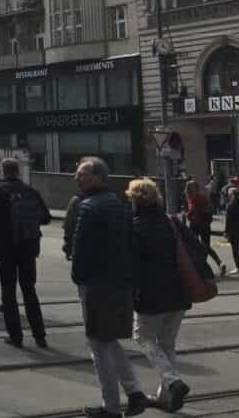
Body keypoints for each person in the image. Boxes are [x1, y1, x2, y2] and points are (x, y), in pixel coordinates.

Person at [71, 157, 148, 418]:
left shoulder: (88, 207)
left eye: (81, 174)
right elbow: (132, 245)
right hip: (120, 283)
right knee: (108, 340)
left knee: (98, 344)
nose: (76, 178)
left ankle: (111, 407)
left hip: (97, 285)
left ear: (97, 177)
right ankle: (135, 393)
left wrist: (79, 280)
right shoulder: (120, 205)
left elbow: (79, 252)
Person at [128, 177, 193, 413]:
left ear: (135, 200)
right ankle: (166, 397)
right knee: (167, 344)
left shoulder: (134, 226)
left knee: (142, 336)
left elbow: (132, 266)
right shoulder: (172, 221)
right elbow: (198, 249)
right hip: (179, 293)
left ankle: (172, 381)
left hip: (150, 295)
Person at [0, 158, 50, 348]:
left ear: (3, 171)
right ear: (18, 171)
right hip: (28, 246)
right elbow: (46, 218)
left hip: (6, 248)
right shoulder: (31, 191)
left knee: (9, 292)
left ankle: (16, 336)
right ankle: (40, 335)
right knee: (29, 290)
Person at [185, 180, 226, 277]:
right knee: (206, 246)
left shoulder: (193, 198)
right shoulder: (202, 197)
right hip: (205, 225)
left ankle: (201, 267)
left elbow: (192, 212)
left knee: (193, 245)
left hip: (195, 224)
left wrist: (188, 215)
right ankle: (219, 263)